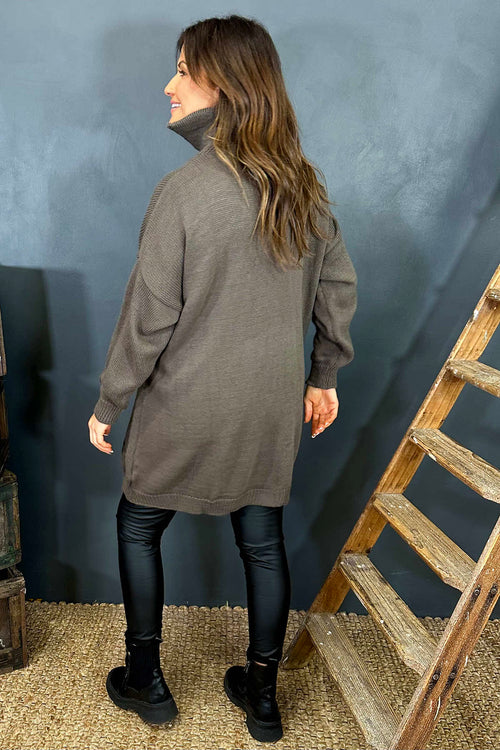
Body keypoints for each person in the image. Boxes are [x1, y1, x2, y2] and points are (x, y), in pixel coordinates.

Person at [88, 14, 357, 744]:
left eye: (181, 69)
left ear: (222, 82)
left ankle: (146, 681)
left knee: (138, 525)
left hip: (184, 405)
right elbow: (337, 288)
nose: (167, 85)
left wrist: (111, 399)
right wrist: (323, 376)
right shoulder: (302, 188)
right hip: (268, 407)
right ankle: (263, 697)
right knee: (262, 539)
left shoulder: (184, 191)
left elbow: (148, 318)